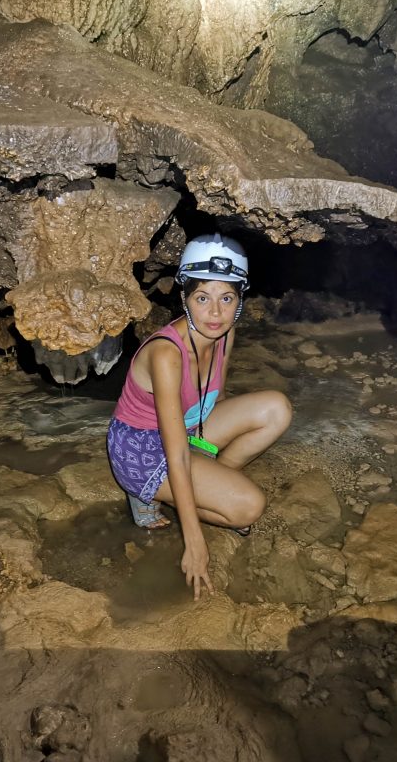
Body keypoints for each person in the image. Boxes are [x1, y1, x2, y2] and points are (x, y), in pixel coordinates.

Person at [106, 234, 292, 599]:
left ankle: (213, 481)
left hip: (188, 427)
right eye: (202, 298)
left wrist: (207, 449)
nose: (215, 313)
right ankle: (144, 494)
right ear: (184, 297)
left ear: (239, 300)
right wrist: (195, 542)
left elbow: (214, 397)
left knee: (276, 408)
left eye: (227, 298)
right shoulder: (166, 354)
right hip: (144, 451)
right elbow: (175, 454)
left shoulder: (225, 332)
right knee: (249, 508)